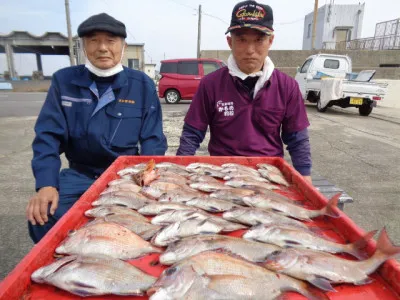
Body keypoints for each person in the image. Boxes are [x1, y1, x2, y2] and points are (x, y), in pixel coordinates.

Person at [27, 13, 167, 243]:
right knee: (43, 216)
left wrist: (145, 179)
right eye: (93, 40)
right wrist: (46, 184)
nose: (102, 47)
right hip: (79, 175)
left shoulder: (141, 84)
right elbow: (47, 137)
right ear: (83, 45)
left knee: (145, 224)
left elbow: (153, 140)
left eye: (110, 40)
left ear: (123, 46)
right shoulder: (64, 81)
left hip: (125, 177)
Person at [177, 0, 312, 182]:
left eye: (259, 40)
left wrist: (305, 175)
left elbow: (297, 139)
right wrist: (180, 169)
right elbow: (192, 134)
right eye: (241, 40)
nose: (250, 50)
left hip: (269, 175)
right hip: (221, 174)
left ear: (270, 41)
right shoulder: (210, 84)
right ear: (229, 42)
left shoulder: (287, 86)